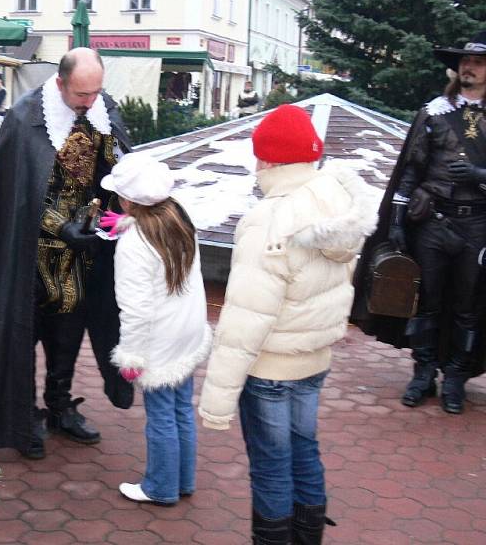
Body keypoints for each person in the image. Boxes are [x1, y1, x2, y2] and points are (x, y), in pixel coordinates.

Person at [199, 105, 378, 544]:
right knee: (304, 453)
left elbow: (246, 317)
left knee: (271, 467)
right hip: (314, 360)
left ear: (268, 160)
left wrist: (216, 402)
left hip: (270, 369)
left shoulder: (269, 219)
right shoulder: (337, 205)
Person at [0, 48, 134, 459]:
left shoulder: (103, 109)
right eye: (82, 94)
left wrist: (111, 199)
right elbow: (18, 194)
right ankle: (23, 415)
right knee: (22, 336)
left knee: (68, 335)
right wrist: (59, 225)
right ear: (60, 82)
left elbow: (116, 170)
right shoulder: (25, 116)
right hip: (29, 256)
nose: (89, 102)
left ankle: (59, 406)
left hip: (82, 254)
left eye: (96, 92)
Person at [350, 29, 486, 415]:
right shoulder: (434, 113)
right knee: (426, 300)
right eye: (464, 62)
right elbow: (409, 172)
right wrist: (395, 223)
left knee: (468, 306)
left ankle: (457, 377)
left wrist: (477, 173)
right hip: (433, 223)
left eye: (477, 62)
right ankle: (423, 373)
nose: (469, 68)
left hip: (478, 226)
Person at [99, 153, 211, 506]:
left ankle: (160, 487)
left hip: (159, 338)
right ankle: (183, 480)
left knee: (161, 415)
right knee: (181, 410)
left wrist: (132, 353)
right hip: (187, 331)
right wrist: (126, 223)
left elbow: (135, 308)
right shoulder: (177, 219)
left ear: (128, 200)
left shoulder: (134, 245)